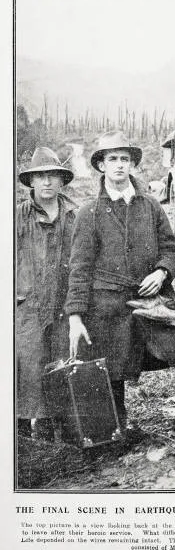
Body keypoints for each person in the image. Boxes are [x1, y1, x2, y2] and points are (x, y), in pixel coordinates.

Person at [66, 131, 175, 436]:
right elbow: (79, 268)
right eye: (111, 159)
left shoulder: (150, 206)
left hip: (152, 301)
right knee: (111, 366)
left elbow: (171, 247)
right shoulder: (89, 214)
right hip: (109, 305)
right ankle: (119, 426)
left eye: (124, 159)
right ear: (101, 165)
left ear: (132, 165)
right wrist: (75, 316)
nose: (119, 165)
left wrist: (163, 272)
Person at [16, 148, 77, 441]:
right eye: (41, 176)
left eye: (53, 175)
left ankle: (56, 442)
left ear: (61, 180)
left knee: (61, 370)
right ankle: (20, 447)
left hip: (64, 308)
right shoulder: (17, 217)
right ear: (31, 181)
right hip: (26, 309)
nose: (47, 182)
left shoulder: (74, 216)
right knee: (25, 372)